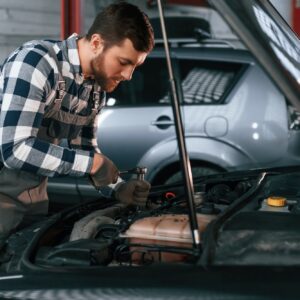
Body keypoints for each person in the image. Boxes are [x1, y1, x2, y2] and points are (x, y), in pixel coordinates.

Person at [0, 2, 154, 248]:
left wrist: (118, 187)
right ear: (96, 43)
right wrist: (94, 165)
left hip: (33, 197)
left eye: (135, 66)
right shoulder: (36, 62)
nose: (128, 75)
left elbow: (85, 150)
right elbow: (16, 150)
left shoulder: (94, 91)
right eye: (124, 62)